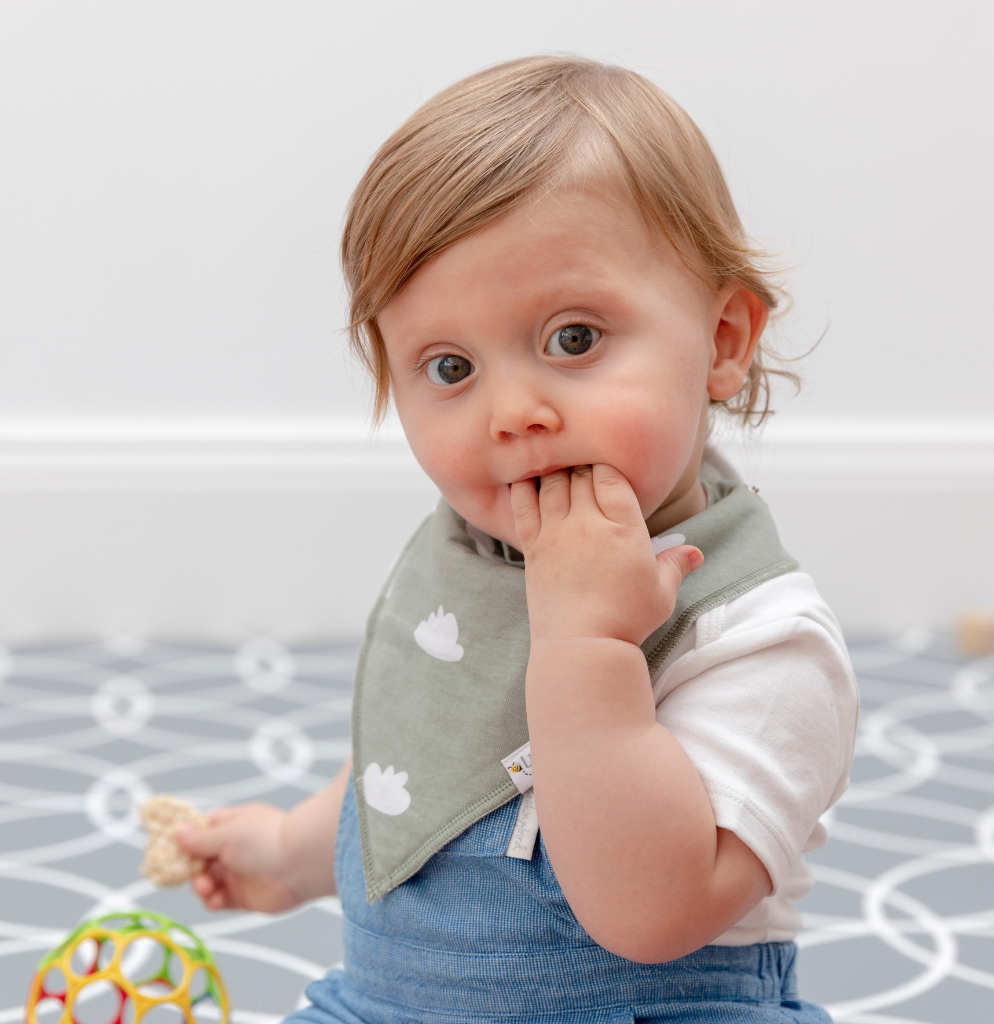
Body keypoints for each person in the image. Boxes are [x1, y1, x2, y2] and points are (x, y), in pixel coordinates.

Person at [177, 55, 859, 1023]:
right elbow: (426, 763)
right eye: (449, 365)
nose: (514, 412)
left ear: (721, 340)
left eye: (573, 339)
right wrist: (290, 853)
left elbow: (649, 912)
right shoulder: (463, 562)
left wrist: (589, 649)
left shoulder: (757, 632)